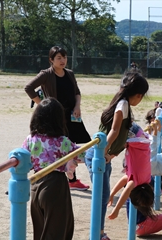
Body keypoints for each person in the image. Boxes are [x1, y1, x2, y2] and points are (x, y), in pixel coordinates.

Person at [84, 71, 149, 240]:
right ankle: (98, 233)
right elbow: (114, 131)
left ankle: (99, 232)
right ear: (138, 95)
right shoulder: (123, 105)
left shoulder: (123, 104)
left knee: (103, 195)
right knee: (102, 195)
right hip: (98, 154)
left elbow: (121, 137)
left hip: (104, 156)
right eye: (141, 97)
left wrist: (108, 156)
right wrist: (102, 153)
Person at [25, 46, 91, 191]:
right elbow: (28, 88)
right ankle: (33, 176)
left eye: (64, 57)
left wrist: (77, 106)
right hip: (54, 117)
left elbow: (77, 92)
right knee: (53, 145)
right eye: (59, 58)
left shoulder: (70, 74)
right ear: (51, 60)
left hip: (71, 115)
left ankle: (72, 179)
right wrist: (44, 106)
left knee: (70, 145)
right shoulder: (46, 75)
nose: (63, 61)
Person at [21, 97, 86, 240]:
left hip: (35, 185)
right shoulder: (61, 141)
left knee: (40, 230)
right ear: (59, 120)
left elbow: (23, 161)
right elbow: (82, 155)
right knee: (58, 230)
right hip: (55, 185)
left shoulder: (30, 140)